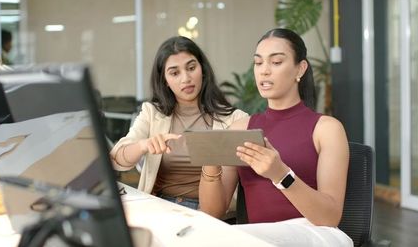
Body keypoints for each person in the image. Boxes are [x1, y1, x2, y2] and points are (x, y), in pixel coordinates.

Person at [199, 28, 353, 246]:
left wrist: (281, 175)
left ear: (300, 68)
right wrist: (210, 163)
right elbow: (211, 212)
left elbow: (329, 217)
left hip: (316, 234)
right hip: (258, 238)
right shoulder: (240, 129)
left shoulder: (327, 128)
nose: (264, 71)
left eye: (276, 62)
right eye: (258, 62)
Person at [110, 36, 248, 209]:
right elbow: (116, 160)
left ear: (203, 70)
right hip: (158, 206)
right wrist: (143, 145)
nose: (186, 78)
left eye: (191, 68)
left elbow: (218, 207)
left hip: (205, 214)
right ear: (165, 81)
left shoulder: (234, 120)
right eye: (175, 73)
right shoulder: (152, 113)